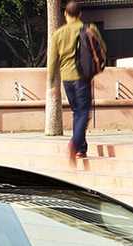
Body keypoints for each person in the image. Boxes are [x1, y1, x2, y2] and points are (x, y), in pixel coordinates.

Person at [46, 0, 104, 161]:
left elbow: (52, 61)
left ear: (65, 14)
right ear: (80, 14)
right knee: (83, 113)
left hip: (66, 79)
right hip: (82, 77)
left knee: (77, 112)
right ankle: (75, 143)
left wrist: (52, 84)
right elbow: (102, 49)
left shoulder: (58, 34)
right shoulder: (89, 29)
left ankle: (81, 149)